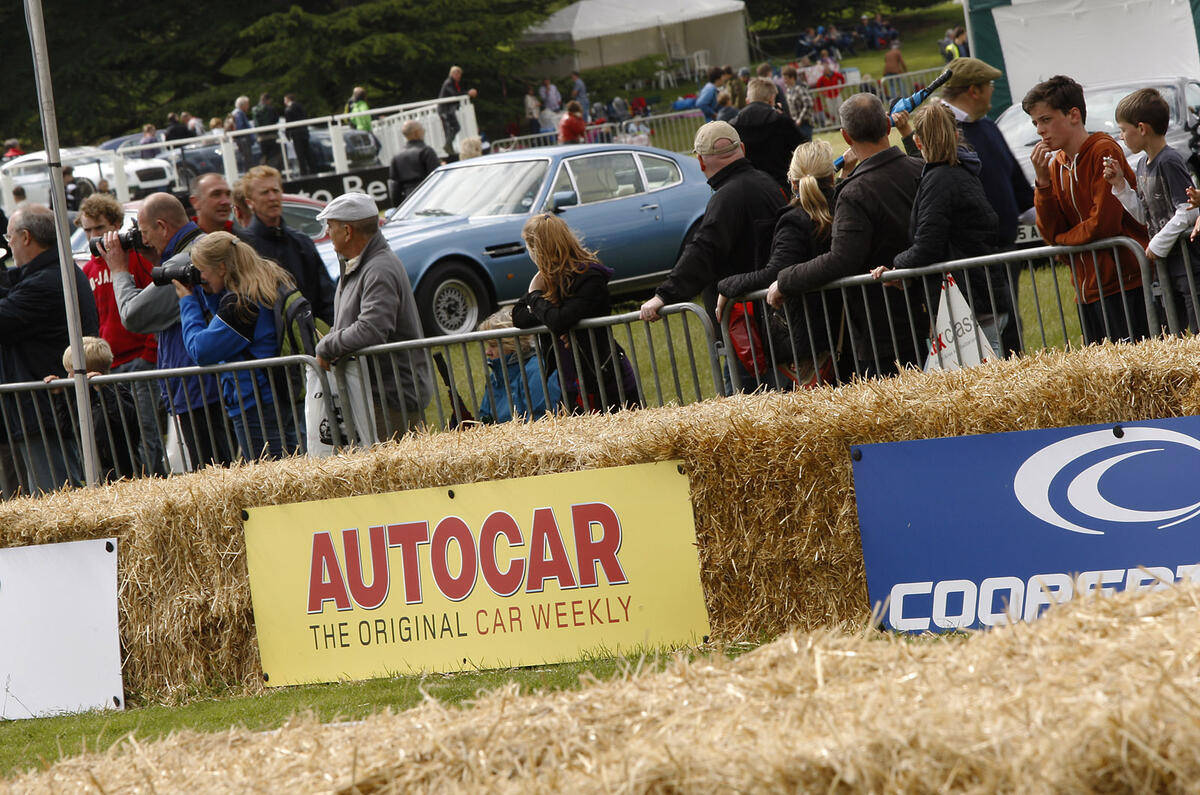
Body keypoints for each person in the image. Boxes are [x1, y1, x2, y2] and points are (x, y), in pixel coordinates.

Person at [766, 93, 926, 377]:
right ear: (887, 127)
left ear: (846, 136)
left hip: (881, 328)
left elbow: (841, 258)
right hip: (930, 311)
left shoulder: (854, 192)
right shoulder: (919, 169)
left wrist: (785, 280)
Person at [106, 193, 234, 470]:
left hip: (200, 388)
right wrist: (156, 258)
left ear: (162, 227)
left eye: (144, 232)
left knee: (214, 473)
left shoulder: (184, 262)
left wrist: (118, 269)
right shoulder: (198, 249)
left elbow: (133, 315)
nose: (143, 240)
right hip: (205, 385)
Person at [1024, 75, 1148, 344]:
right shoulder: (1056, 165)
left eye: (1045, 120)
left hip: (1124, 284)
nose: (1039, 130)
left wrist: (1063, 242)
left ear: (1073, 115)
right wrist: (1042, 183)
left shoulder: (1103, 151)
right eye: (1035, 123)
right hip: (1087, 289)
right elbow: (1049, 232)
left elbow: (1103, 224)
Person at [872, 103, 1002, 357]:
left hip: (965, 306)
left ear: (919, 142)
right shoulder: (965, 170)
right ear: (955, 136)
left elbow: (928, 245)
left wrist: (897, 265)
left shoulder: (939, 180)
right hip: (982, 295)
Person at [640, 121, 787, 331]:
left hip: (748, 323)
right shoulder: (769, 184)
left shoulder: (726, 198)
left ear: (700, 161)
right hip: (775, 309)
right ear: (742, 149)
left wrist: (663, 295)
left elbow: (704, 250)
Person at [717, 140, 840, 389]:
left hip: (810, 337)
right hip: (842, 328)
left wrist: (725, 286)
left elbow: (774, 273)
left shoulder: (795, 221)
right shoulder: (845, 206)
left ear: (792, 182)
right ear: (832, 177)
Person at [314, 192, 432, 438]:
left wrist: (327, 346)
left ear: (347, 231)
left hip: (391, 398)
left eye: (331, 226)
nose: (327, 232)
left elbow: (372, 329)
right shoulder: (359, 264)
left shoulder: (379, 268)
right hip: (375, 393)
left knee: (396, 474)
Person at [0, 204, 100, 494]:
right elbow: (13, 290)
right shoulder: (55, 272)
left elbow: (7, 313)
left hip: (46, 415)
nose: (9, 247)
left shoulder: (49, 281)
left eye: (10, 240)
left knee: (55, 500)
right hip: (40, 412)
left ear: (26, 237)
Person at [175, 231, 300, 461]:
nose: (199, 276)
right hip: (274, 398)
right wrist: (208, 290)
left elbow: (200, 351)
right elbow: (223, 323)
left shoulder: (242, 304)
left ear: (221, 268)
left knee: (270, 482)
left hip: (256, 406)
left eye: (202, 270)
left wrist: (187, 302)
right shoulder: (262, 284)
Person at [513, 213, 639, 413]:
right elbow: (519, 316)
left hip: (606, 378)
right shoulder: (546, 279)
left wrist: (536, 297)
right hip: (571, 385)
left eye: (528, 248)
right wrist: (548, 311)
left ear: (537, 248)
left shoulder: (589, 276)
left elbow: (559, 320)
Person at [78, 193, 166, 475]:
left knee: (146, 432)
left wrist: (148, 355)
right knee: (119, 436)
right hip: (109, 367)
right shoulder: (89, 269)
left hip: (138, 362)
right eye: (87, 230)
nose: (94, 236)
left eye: (99, 228)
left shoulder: (135, 260)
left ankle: (152, 483)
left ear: (115, 225)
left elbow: (155, 306)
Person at [1106, 88, 1200, 332]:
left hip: (1190, 265)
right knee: (1170, 336)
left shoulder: (1170, 161)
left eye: (1123, 130)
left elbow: (1188, 210)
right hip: (1166, 267)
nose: (1121, 136)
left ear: (1142, 128)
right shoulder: (1141, 165)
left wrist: (1158, 244)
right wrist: (1120, 185)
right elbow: (1146, 216)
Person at [240, 165, 336, 325]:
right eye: (264, 192)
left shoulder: (302, 242)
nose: (272, 197)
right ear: (250, 202)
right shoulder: (243, 247)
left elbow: (327, 300)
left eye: (276, 190)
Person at [50, 337, 144, 483]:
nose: (68, 377)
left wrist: (104, 389)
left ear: (88, 372)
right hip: (94, 472)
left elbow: (125, 419)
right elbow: (66, 428)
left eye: (71, 372)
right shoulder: (81, 398)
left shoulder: (116, 390)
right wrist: (59, 396)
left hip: (123, 470)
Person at [476, 306, 561, 423]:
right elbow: (485, 419)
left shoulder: (536, 371)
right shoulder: (494, 377)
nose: (487, 352)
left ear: (512, 345)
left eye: (493, 345)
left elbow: (540, 421)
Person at [733, 78, 803, 191]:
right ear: (771, 99)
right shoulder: (782, 122)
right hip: (780, 184)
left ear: (747, 100)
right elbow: (804, 148)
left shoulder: (733, 125)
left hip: (747, 188)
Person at [388, 120, 441, 207]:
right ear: (417, 133)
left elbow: (394, 187)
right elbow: (436, 177)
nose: (424, 131)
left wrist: (397, 207)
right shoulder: (426, 151)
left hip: (408, 201)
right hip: (428, 197)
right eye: (422, 129)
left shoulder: (397, 156)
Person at [439, 66, 478, 156]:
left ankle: (449, 147)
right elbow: (455, 94)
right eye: (458, 74)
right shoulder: (449, 83)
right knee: (453, 127)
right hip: (445, 110)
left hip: (448, 109)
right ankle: (448, 146)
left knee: (453, 128)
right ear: (453, 74)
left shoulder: (453, 83)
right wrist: (468, 93)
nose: (459, 76)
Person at [781, 66, 815, 142]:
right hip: (795, 123)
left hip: (805, 123)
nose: (784, 81)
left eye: (786, 78)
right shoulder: (789, 90)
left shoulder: (800, 89)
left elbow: (808, 104)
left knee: (806, 146)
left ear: (792, 77)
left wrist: (800, 119)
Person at [283, 94, 315, 176]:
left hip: (296, 134)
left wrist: (287, 134)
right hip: (304, 132)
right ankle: (313, 170)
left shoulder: (289, 109)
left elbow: (288, 122)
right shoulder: (300, 106)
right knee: (308, 153)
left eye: (285, 100)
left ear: (288, 99)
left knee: (300, 155)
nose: (284, 102)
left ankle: (303, 173)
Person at [252, 93, 283, 170]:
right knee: (275, 156)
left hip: (261, 137)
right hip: (272, 135)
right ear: (268, 100)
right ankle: (275, 173)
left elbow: (256, 123)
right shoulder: (271, 109)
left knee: (264, 157)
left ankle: (264, 173)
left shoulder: (254, 109)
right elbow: (276, 119)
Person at [231, 96, 253, 164]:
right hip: (243, 140)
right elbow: (239, 127)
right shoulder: (239, 113)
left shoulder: (236, 112)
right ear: (243, 105)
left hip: (241, 140)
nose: (248, 106)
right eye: (247, 104)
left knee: (246, 159)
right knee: (247, 160)